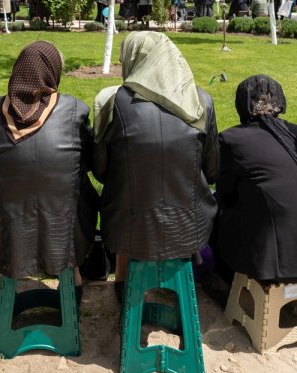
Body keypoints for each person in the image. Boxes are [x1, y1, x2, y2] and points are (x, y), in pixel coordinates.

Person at [93, 32, 219, 299]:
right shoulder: (201, 101)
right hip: (190, 225)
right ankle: (176, 282)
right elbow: (212, 169)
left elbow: (101, 171)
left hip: (126, 226)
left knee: (127, 198)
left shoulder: (113, 102)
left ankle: (122, 282)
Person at [0, 41, 96, 311]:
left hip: (5, 221)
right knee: (77, 189)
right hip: (63, 219)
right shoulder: (75, 111)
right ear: (53, 72)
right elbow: (88, 163)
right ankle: (72, 278)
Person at [211, 75, 297, 291]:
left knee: (214, 212)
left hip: (276, 267)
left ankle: (224, 282)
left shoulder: (232, 139)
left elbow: (224, 192)